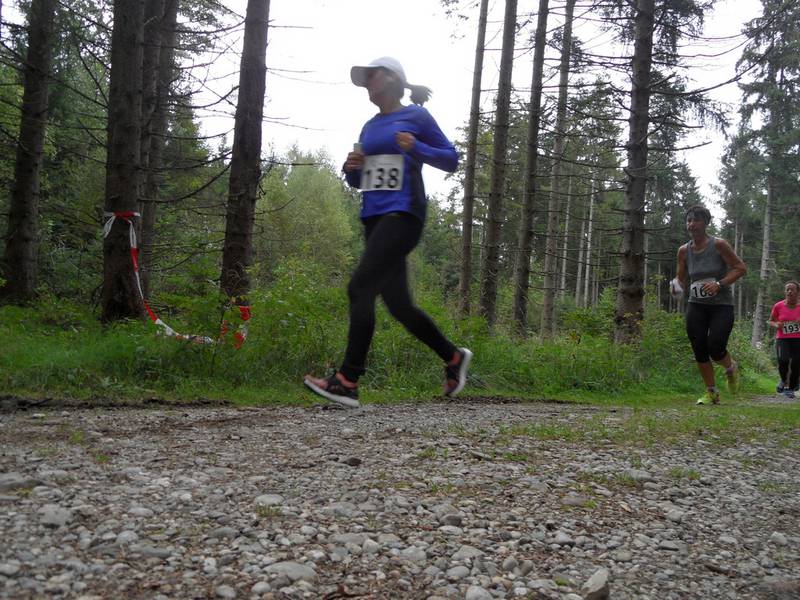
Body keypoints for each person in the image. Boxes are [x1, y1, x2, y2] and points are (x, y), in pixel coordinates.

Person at [303, 56, 472, 408]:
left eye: (372, 76)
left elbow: (451, 159)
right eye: (364, 79)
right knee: (400, 305)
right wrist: (351, 169)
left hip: (404, 214)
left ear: (393, 79)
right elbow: (360, 180)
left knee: (360, 287)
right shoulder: (369, 127)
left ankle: (347, 380)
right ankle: (453, 357)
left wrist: (416, 147)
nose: (367, 83)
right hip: (374, 218)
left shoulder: (417, 117)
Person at [670, 205, 746, 405]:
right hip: (696, 305)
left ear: (706, 223)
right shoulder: (683, 251)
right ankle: (711, 392)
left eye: (696, 220)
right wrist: (676, 287)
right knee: (699, 348)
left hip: (721, 305)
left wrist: (719, 284)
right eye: (689, 220)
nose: (692, 224)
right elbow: (680, 279)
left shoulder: (719, 245)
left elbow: (740, 268)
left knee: (716, 347)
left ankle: (730, 368)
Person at [768, 281, 800, 399]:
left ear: (798, 292)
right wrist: (776, 325)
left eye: (792, 289)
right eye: (787, 289)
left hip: (798, 339)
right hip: (782, 338)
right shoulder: (778, 306)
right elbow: (771, 320)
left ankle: (791, 388)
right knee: (783, 360)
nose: (789, 292)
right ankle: (783, 380)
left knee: (796, 363)